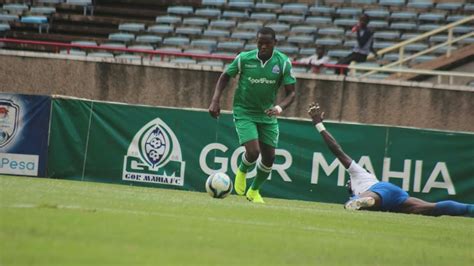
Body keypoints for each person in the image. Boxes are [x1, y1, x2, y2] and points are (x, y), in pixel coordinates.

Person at [307, 102, 474, 217]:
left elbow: (337, 150)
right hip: (395, 199)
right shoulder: (361, 184)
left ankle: (362, 201)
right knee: (430, 208)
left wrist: (319, 125)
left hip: (380, 190)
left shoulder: (358, 174)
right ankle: (470, 208)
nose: (348, 184)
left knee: (360, 201)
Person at [208, 27, 296, 204]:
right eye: (259, 43)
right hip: (244, 112)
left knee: (270, 157)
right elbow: (225, 76)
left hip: (267, 114)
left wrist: (279, 108)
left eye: (267, 43)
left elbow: (292, 93)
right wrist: (215, 100)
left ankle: (254, 191)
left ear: (275, 43)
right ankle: (242, 170)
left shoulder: (283, 62)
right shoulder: (244, 59)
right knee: (253, 152)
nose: (262, 47)